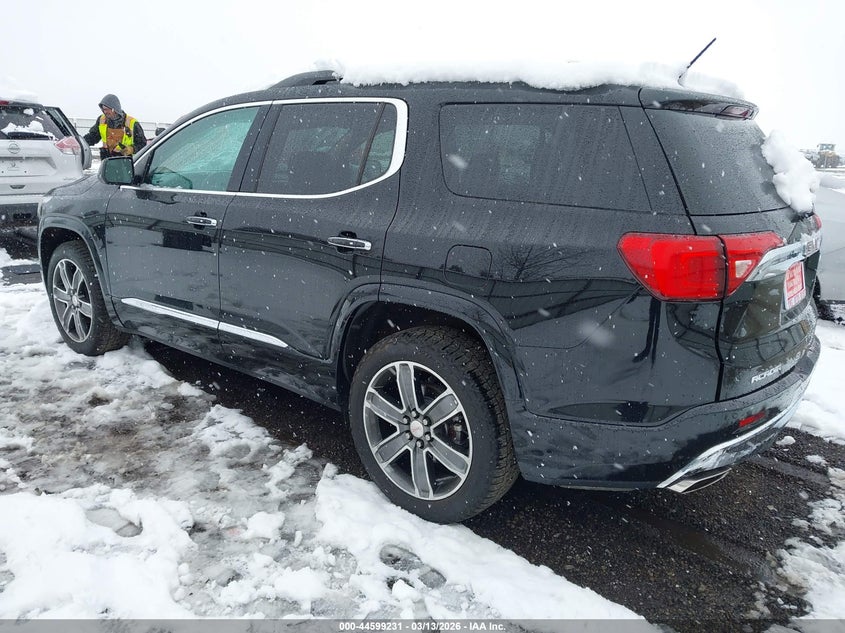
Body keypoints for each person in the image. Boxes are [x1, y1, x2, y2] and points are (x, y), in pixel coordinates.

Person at [83, 94, 147, 160]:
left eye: (106, 109)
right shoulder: (102, 120)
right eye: (103, 109)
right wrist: (81, 142)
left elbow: (142, 144)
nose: (105, 112)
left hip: (125, 163)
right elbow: (93, 137)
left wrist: (131, 149)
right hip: (107, 161)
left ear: (114, 109)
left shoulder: (132, 123)